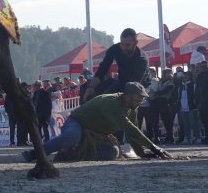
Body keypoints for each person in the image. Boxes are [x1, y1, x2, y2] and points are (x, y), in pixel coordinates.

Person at [22, 82, 172, 163]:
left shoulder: (132, 107)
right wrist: (155, 148)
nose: (140, 102)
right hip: (78, 123)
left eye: (142, 100)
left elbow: (132, 133)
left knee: (112, 152)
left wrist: (142, 154)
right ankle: (35, 153)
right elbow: (130, 128)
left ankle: (71, 155)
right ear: (127, 96)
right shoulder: (112, 103)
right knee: (71, 137)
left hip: (98, 134)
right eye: (138, 99)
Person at [84, 28, 148, 100]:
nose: (124, 48)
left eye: (127, 45)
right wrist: (91, 87)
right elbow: (102, 69)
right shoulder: (115, 49)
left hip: (140, 87)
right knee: (102, 100)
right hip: (121, 82)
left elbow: (135, 84)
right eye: (122, 44)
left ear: (135, 43)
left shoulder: (141, 59)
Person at [148, 68, 175, 144]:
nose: (168, 75)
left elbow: (165, 91)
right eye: (166, 73)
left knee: (167, 121)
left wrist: (155, 93)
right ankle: (156, 137)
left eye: (169, 73)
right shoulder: (159, 81)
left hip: (164, 102)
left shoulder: (171, 83)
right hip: (155, 102)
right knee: (154, 121)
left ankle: (170, 137)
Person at [193, 60, 208, 144]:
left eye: (205, 66)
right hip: (202, 102)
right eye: (202, 67)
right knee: (204, 120)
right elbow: (197, 90)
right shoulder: (200, 77)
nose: (203, 68)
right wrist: (197, 101)